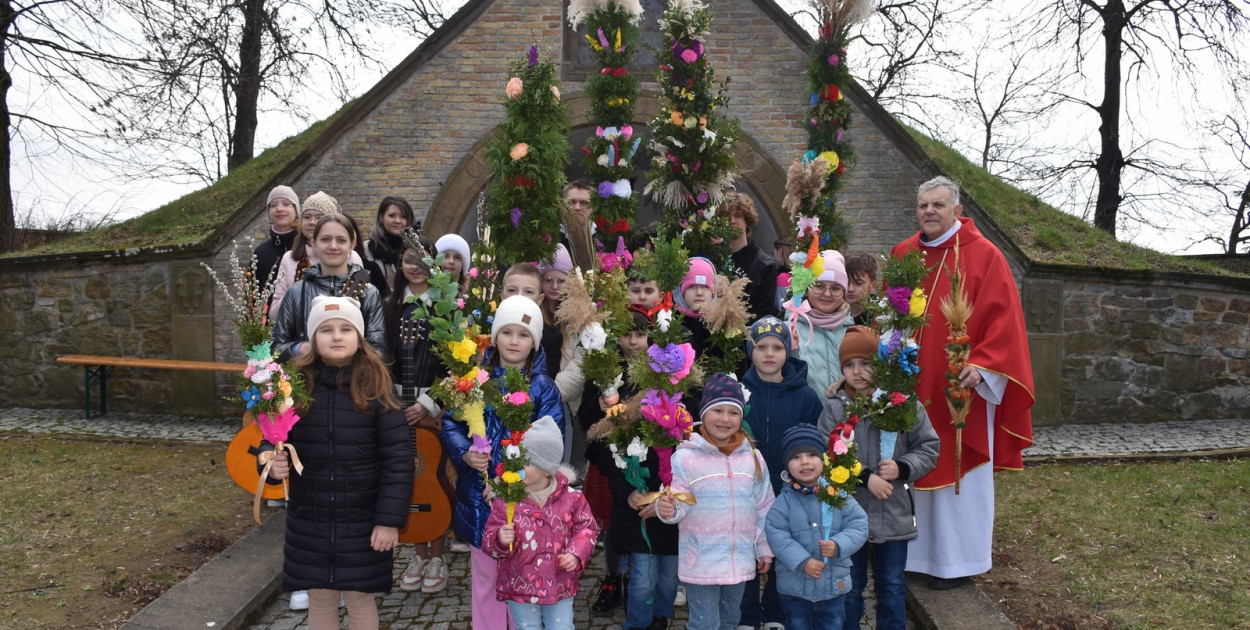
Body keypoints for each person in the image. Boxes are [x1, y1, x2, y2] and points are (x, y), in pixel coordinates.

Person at [891, 175, 1034, 589]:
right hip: (911, 382)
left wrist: (984, 365)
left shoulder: (985, 255)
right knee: (911, 462)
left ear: (957, 210)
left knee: (959, 474)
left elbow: (1005, 319)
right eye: (923, 206)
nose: (929, 212)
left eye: (938, 205)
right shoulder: (904, 254)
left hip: (960, 386)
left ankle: (956, 564)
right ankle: (913, 557)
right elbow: (889, 312)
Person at [261, 295, 413, 630]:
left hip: (362, 517)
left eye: (346, 328)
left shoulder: (376, 386)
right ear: (312, 339)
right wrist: (271, 463)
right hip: (309, 517)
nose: (336, 336)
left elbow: (398, 460)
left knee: (360, 597)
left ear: (359, 337)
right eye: (326, 329)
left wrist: (388, 520)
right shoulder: (293, 387)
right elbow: (271, 439)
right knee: (320, 597)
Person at [439, 295, 564, 630]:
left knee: (522, 584)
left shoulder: (544, 389)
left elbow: (550, 447)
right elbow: (451, 423)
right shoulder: (474, 380)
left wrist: (512, 484)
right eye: (506, 332)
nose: (514, 341)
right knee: (486, 581)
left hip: (527, 504)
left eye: (523, 334)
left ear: (535, 342)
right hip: (480, 505)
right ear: (495, 338)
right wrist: (464, 452)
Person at [815, 326, 940, 630]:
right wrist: (866, 477)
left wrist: (902, 467)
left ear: (880, 364)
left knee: (892, 584)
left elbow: (928, 447)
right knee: (849, 584)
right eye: (849, 365)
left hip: (893, 511)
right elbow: (828, 454)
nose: (857, 372)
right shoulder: (834, 409)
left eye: (866, 363)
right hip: (849, 514)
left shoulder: (904, 404)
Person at [580, 307, 679, 627]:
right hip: (618, 467)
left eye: (640, 334)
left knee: (662, 576)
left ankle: (658, 618)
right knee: (619, 536)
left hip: (662, 477)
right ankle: (614, 583)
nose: (633, 342)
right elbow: (587, 422)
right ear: (615, 337)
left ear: (651, 337)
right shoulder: (607, 372)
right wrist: (599, 408)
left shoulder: (664, 372)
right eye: (626, 334)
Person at [657, 373, 775, 630]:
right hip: (701, 559)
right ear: (704, 413)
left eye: (733, 413)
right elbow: (674, 501)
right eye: (717, 410)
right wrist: (667, 508)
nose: (725, 419)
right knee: (705, 622)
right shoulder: (685, 458)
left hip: (739, 557)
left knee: (731, 618)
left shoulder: (752, 458)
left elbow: (764, 505)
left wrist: (764, 546)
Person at [739, 316, 824, 630]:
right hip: (748, 491)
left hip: (790, 490)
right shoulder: (739, 392)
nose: (769, 354)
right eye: (761, 347)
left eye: (777, 346)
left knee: (785, 550)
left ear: (788, 351)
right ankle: (747, 616)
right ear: (751, 351)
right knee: (748, 552)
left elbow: (817, 446)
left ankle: (775, 612)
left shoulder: (805, 397)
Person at [483, 416, 599, 630]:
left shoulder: (572, 499)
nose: (518, 467)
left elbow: (587, 528)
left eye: (525, 462)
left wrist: (575, 553)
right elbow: (489, 539)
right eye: (516, 461)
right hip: (520, 587)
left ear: (547, 469)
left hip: (559, 583)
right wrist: (500, 540)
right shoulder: (506, 500)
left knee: (562, 626)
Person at [385, 232, 451, 594]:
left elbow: (457, 362)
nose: (414, 267)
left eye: (422, 260)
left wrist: (428, 404)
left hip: (431, 404)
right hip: (397, 402)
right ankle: (417, 552)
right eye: (408, 260)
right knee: (405, 477)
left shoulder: (447, 306)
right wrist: (392, 402)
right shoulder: (391, 304)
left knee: (435, 475)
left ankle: (437, 554)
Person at [764, 424, 868, 630]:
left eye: (811, 455)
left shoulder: (838, 494)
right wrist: (802, 561)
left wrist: (838, 545)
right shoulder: (783, 502)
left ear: (823, 460)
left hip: (833, 588)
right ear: (786, 465)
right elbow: (776, 534)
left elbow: (859, 524)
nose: (804, 461)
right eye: (796, 457)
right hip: (795, 590)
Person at [271, 212, 387, 361]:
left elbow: (380, 352)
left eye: (341, 240)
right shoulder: (297, 291)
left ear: (352, 244)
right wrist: (301, 348)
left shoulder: (369, 293)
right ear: (313, 244)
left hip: (354, 381)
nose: (333, 246)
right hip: (306, 380)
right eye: (325, 239)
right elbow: (276, 349)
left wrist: (348, 350)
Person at [271, 191, 364, 315]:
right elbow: (273, 314)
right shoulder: (289, 258)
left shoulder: (351, 256)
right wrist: (295, 293)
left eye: (319, 218)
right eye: (307, 217)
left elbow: (361, 304)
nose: (312, 222)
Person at [790, 250, 853, 399]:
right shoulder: (790, 328)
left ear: (844, 293)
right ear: (807, 288)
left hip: (849, 420)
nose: (827, 294)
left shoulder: (853, 331)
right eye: (819, 286)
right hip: (806, 418)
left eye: (835, 288)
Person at [719, 193, 780, 321]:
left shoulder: (764, 264)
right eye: (727, 216)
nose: (732, 221)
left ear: (747, 220)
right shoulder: (714, 260)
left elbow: (764, 314)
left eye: (738, 216)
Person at [363, 196, 416, 297]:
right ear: (381, 217)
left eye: (403, 217)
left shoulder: (416, 251)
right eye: (392, 215)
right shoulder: (366, 250)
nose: (397, 221)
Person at [253, 186, 300, 293]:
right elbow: (252, 297)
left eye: (286, 204)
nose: (279, 209)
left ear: (296, 210)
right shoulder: (260, 253)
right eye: (273, 205)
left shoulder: (308, 247)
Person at [674, 256, 716, 357]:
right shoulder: (669, 322)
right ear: (681, 291)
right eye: (692, 286)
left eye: (705, 287)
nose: (699, 293)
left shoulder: (723, 325)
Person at [844, 253, 879, 327]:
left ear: (873, 285)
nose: (850, 289)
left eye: (858, 283)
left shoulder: (880, 314)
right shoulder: (832, 311)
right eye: (846, 282)